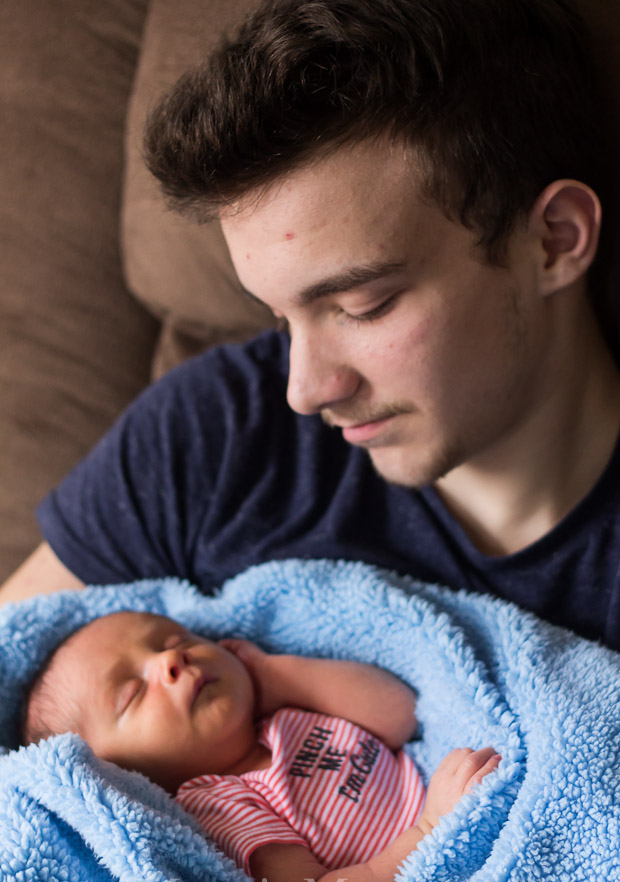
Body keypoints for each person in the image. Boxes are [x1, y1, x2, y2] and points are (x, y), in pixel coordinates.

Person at [2, 0, 620, 648]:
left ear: (553, 240)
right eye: (278, 318)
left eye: (363, 306)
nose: (305, 390)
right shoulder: (217, 433)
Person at [21, 608, 500, 882]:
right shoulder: (220, 802)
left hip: (473, 805)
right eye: (133, 693)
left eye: (177, 640)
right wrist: (431, 828)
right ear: (116, 773)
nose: (170, 660)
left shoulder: (285, 715)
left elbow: (401, 714)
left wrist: (272, 674)